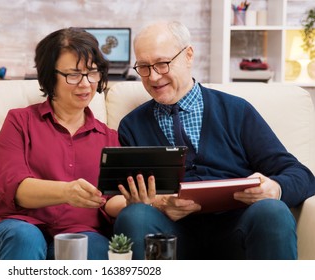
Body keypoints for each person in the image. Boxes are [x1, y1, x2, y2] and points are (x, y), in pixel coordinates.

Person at [105, 20, 315, 260]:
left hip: (236, 231)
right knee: (134, 216)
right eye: (143, 67)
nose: (153, 77)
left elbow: (301, 175)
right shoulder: (132, 126)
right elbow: (116, 198)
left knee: (272, 211)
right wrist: (160, 203)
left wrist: (275, 189)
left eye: (162, 64)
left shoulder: (236, 111)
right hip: (168, 234)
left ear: (188, 55)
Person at [0, 27, 120, 260]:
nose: (85, 84)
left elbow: (111, 202)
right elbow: (15, 188)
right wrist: (66, 192)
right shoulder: (19, 122)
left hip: (80, 232)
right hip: (18, 226)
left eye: (92, 72)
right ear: (50, 77)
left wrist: (145, 201)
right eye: (73, 75)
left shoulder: (109, 138)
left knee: (93, 247)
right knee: (26, 239)